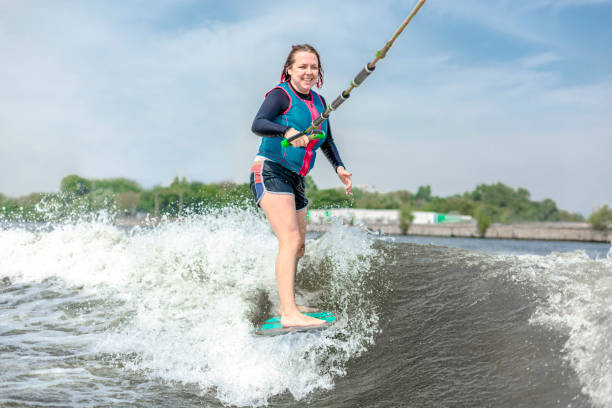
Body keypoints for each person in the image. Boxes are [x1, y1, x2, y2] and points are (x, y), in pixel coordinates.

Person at [250, 44, 352, 328]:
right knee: (290, 240)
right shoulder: (280, 95)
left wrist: (339, 167)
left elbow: (327, 140)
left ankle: (289, 303)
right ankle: (289, 313)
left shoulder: (320, 102)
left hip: (296, 178)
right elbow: (258, 123)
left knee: (300, 247)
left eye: (313, 67)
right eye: (302, 66)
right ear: (290, 69)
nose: (309, 72)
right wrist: (287, 130)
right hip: (270, 170)